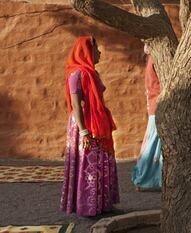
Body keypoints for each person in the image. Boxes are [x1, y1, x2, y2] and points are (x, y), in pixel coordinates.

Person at [60, 36, 120, 216]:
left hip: (97, 121)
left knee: (100, 162)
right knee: (88, 163)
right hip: (84, 125)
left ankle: (101, 204)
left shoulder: (92, 73)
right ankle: (87, 206)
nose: (99, 52)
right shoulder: (76, 74)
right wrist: (84, 132)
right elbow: (76, 105)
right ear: (87, 51)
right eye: (96, 49)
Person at [131, 44, 163, 191]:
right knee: (153, 144)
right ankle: (142, 178)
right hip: (159, 105)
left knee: (154, 142)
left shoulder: (151, 60)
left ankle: (150, 178)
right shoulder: (157, 60)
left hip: (154, 104)